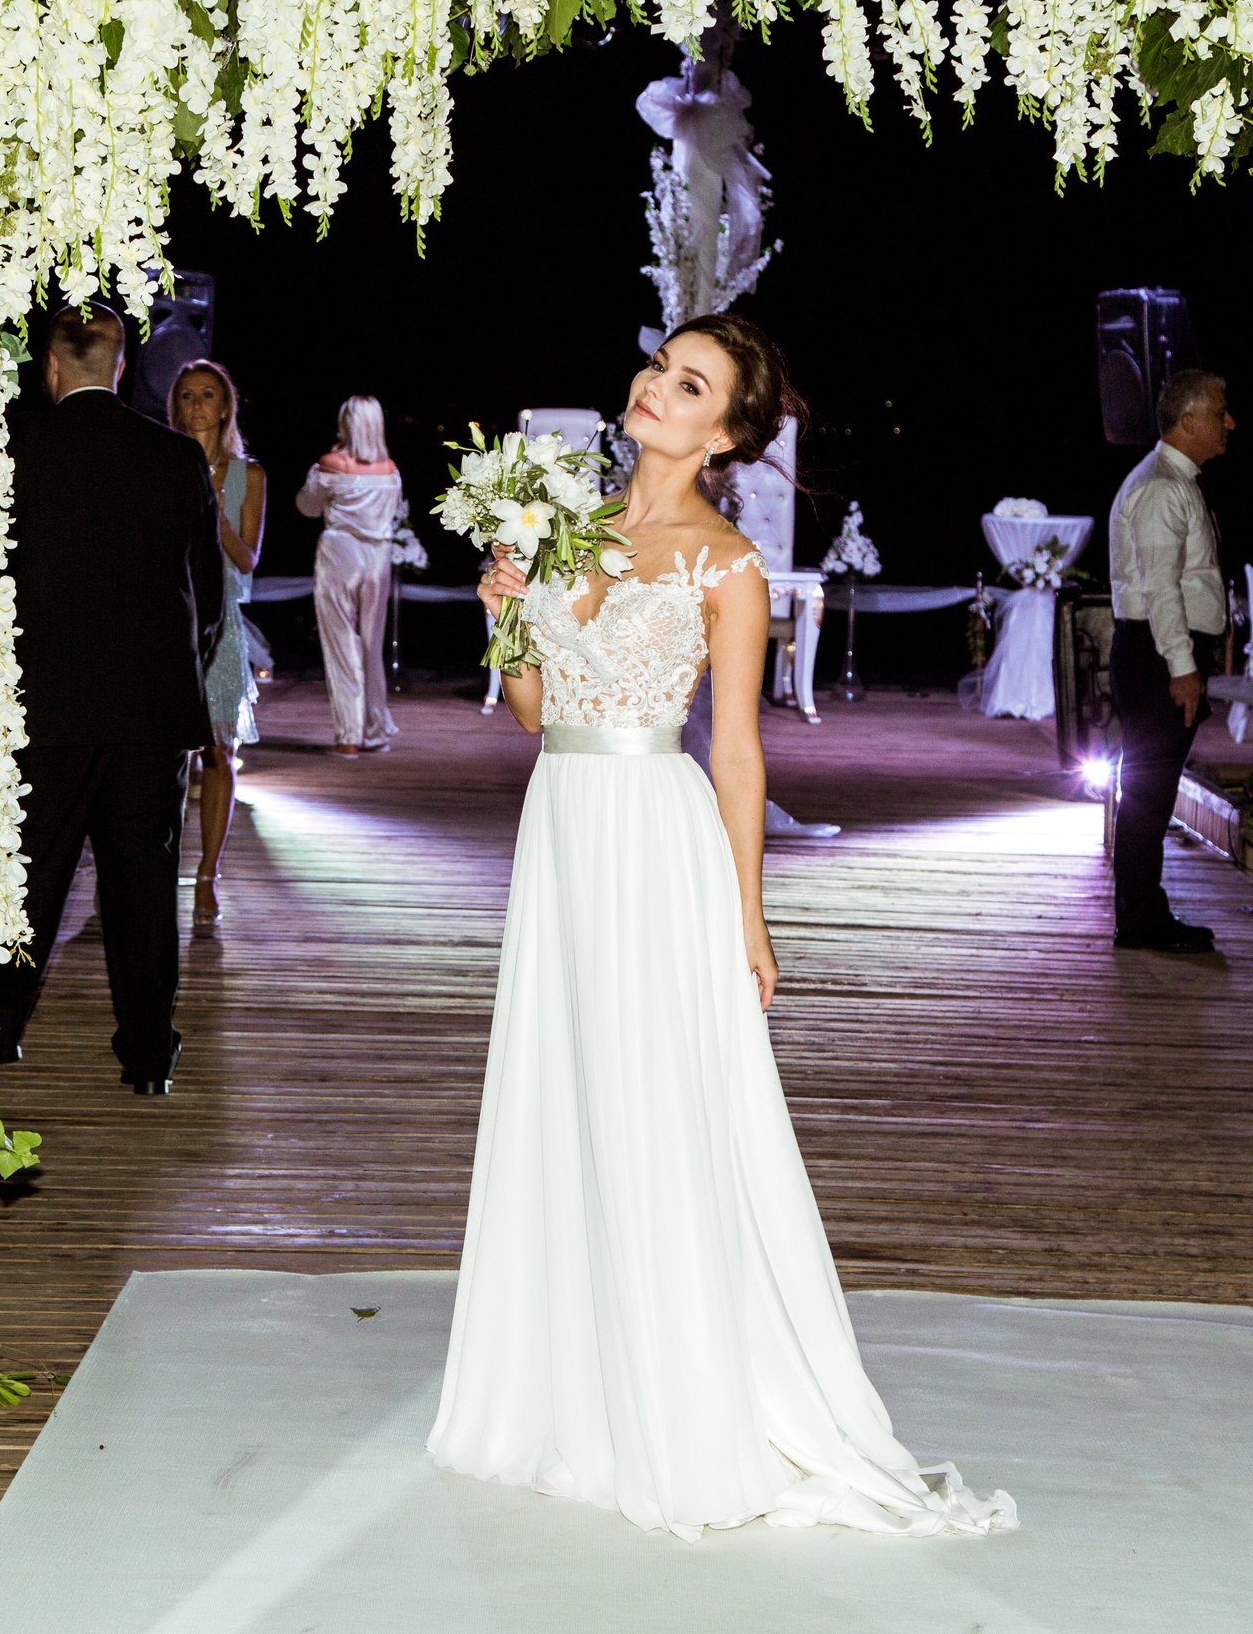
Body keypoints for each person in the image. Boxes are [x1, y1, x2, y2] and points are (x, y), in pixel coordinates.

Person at [429, 313, 1017, 1542]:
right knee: (569, 1087)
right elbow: (536, 714)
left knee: (653, 1097)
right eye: (658, 366)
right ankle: (570, 1389)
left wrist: (748, 915)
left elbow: (738, 751)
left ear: (727, 431)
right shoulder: (567, 526)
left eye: (688, 383)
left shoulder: (727, 565)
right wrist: (508, 604)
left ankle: (683, 1397)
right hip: (562, 826)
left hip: (654, 834)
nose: (656, 386)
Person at [0, 304, 217, 1094]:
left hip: (44, 707)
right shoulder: (174, 457)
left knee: (29, 881)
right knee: (143, 888)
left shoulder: (12, 453)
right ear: (119, 367)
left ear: (49, 366)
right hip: (150, 713)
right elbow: (209, 594)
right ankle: (148, 1055)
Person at [1106, 368, 1233, 953]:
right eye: (1219, 413)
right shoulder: (1161, 487)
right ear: (1188, 423)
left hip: (1159, 653)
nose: (1228, 422)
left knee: (1151, 792)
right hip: (1159, 656)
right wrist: (1182, 668)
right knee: (1148, 792)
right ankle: (1139, 920)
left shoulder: (1172, 481)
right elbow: (1162, 590)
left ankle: (1143, 913)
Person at [168, 359, 264, 923]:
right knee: (161, 751)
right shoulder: (157, 464)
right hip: (167, 617)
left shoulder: (249, 476)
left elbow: (247, 557)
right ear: (175, 406)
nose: (198, 404)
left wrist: (211, 500)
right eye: (187, 395)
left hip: (220, 620)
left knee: (218, 751)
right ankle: (149, 870)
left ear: (225, 406)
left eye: (208, 394)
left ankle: (207, 876)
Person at [295, 397, 401, 756]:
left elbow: (306, 506)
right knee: (372, 645)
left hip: (341, 551)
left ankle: (349, 736)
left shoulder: (331, 463)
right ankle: (374, 731)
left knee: (341, 641)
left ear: (346, 426)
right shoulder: (390, 470)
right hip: (378, 556)